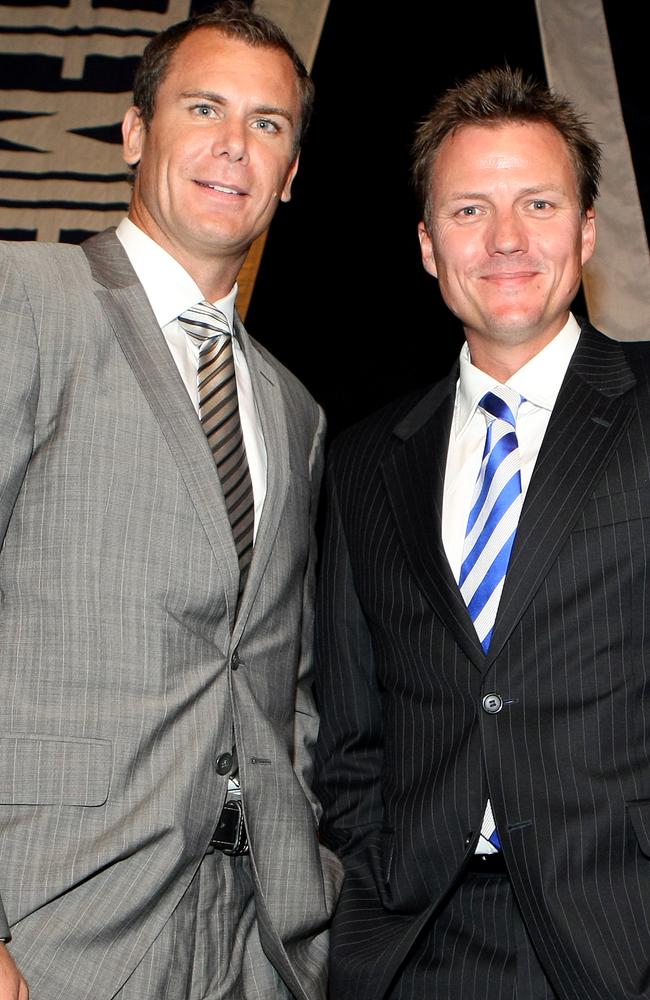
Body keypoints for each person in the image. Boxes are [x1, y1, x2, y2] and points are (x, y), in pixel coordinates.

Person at [0, 3, 341, 998]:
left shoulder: (293, 408)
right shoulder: (24, 301)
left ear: (289, 173)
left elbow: (283, 674)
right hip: (55, 930)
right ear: (136, 131)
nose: (234, 145)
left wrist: (303, 875)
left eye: (268, 124)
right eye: (204, 108)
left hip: (249, 942)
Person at [314, 65, 650, 999]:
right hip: (419, 944)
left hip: (624, 932)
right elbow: (349, 730)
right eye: (468, 211)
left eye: (538, 203)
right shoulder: (365, 459)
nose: (505, 239)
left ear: (586, 230)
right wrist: (374, 872)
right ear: (428, 246)